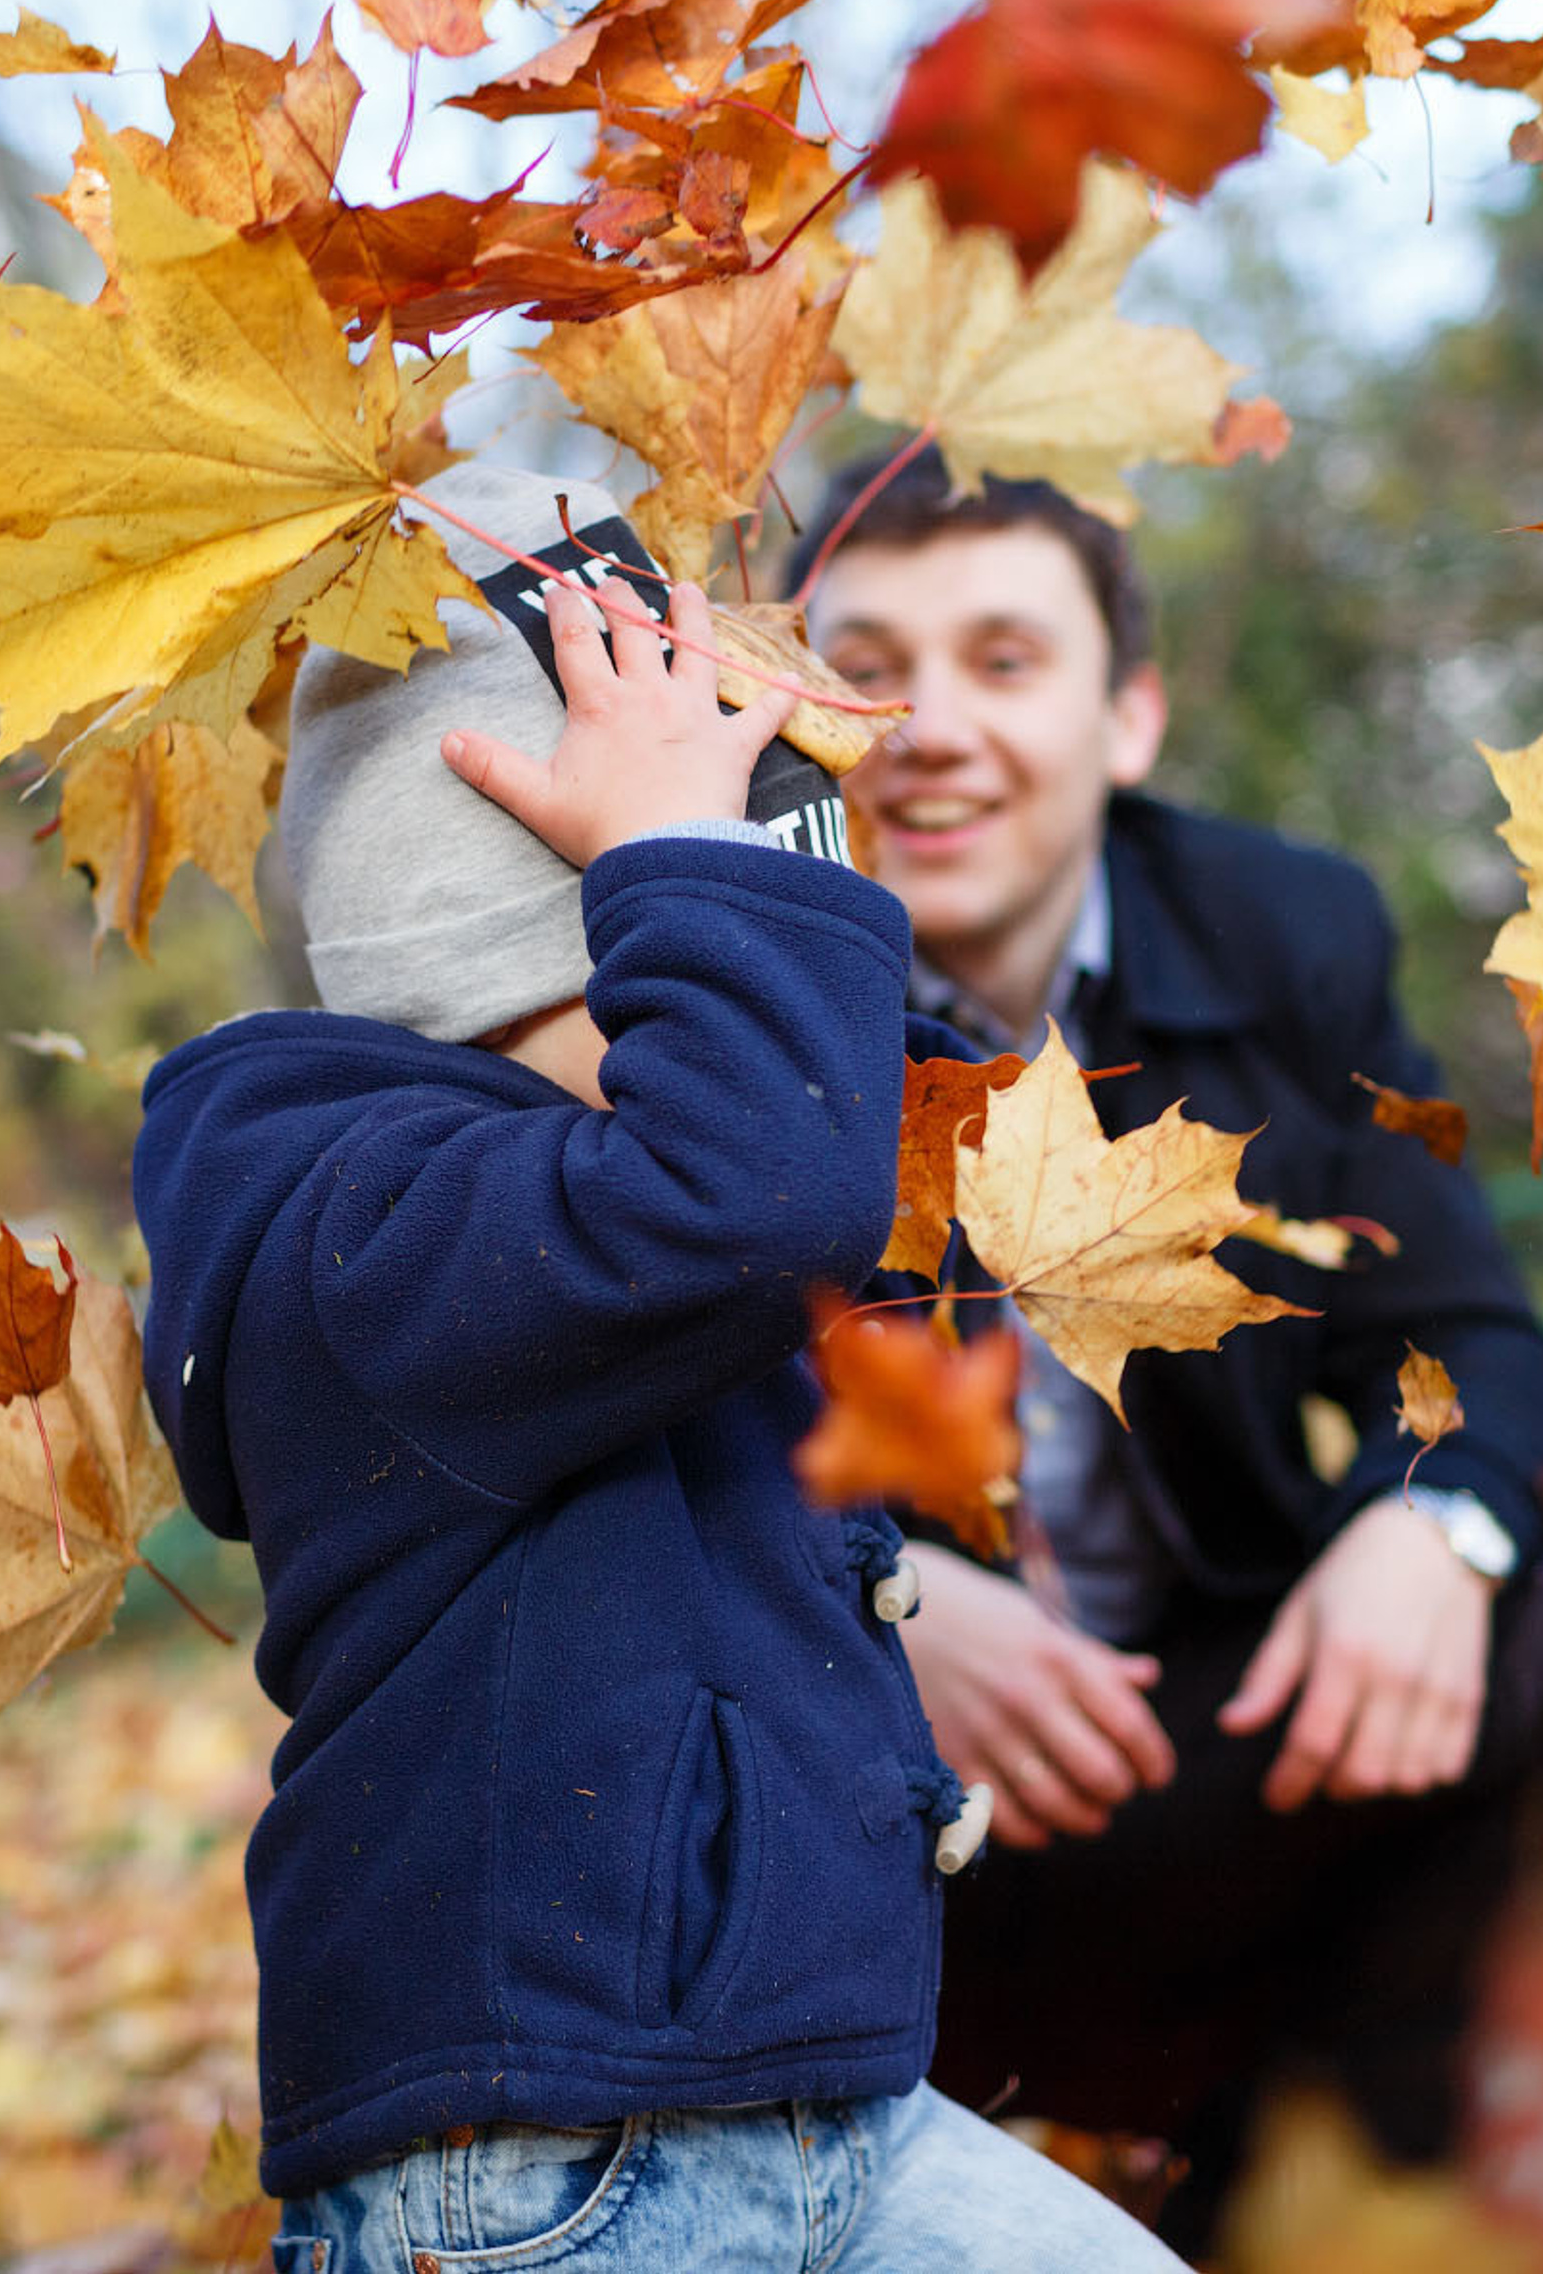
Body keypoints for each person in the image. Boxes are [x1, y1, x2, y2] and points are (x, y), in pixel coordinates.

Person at [133, 462, 1190, 2273]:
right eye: (667, 967)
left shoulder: (641, 1226)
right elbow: (764, 1183)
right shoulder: (370, 1237)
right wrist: (680, 856)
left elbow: (840, 1154)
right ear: (518, 962)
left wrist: (746, 845)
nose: (790, 1074)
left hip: (810, 2102)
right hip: (542, 2160)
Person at [794, 443, 1543, 2252]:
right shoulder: (692, 996)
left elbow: (1472, 1333)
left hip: (1229, 1754)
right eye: (865, 666)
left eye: (1005, 660)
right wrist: (874, 1604)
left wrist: (1436, 1529)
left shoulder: (1278, 929)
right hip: (880, 1866)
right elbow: (577, 1459)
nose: (925, 725)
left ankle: (1321, 2163)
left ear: (1130, 717)